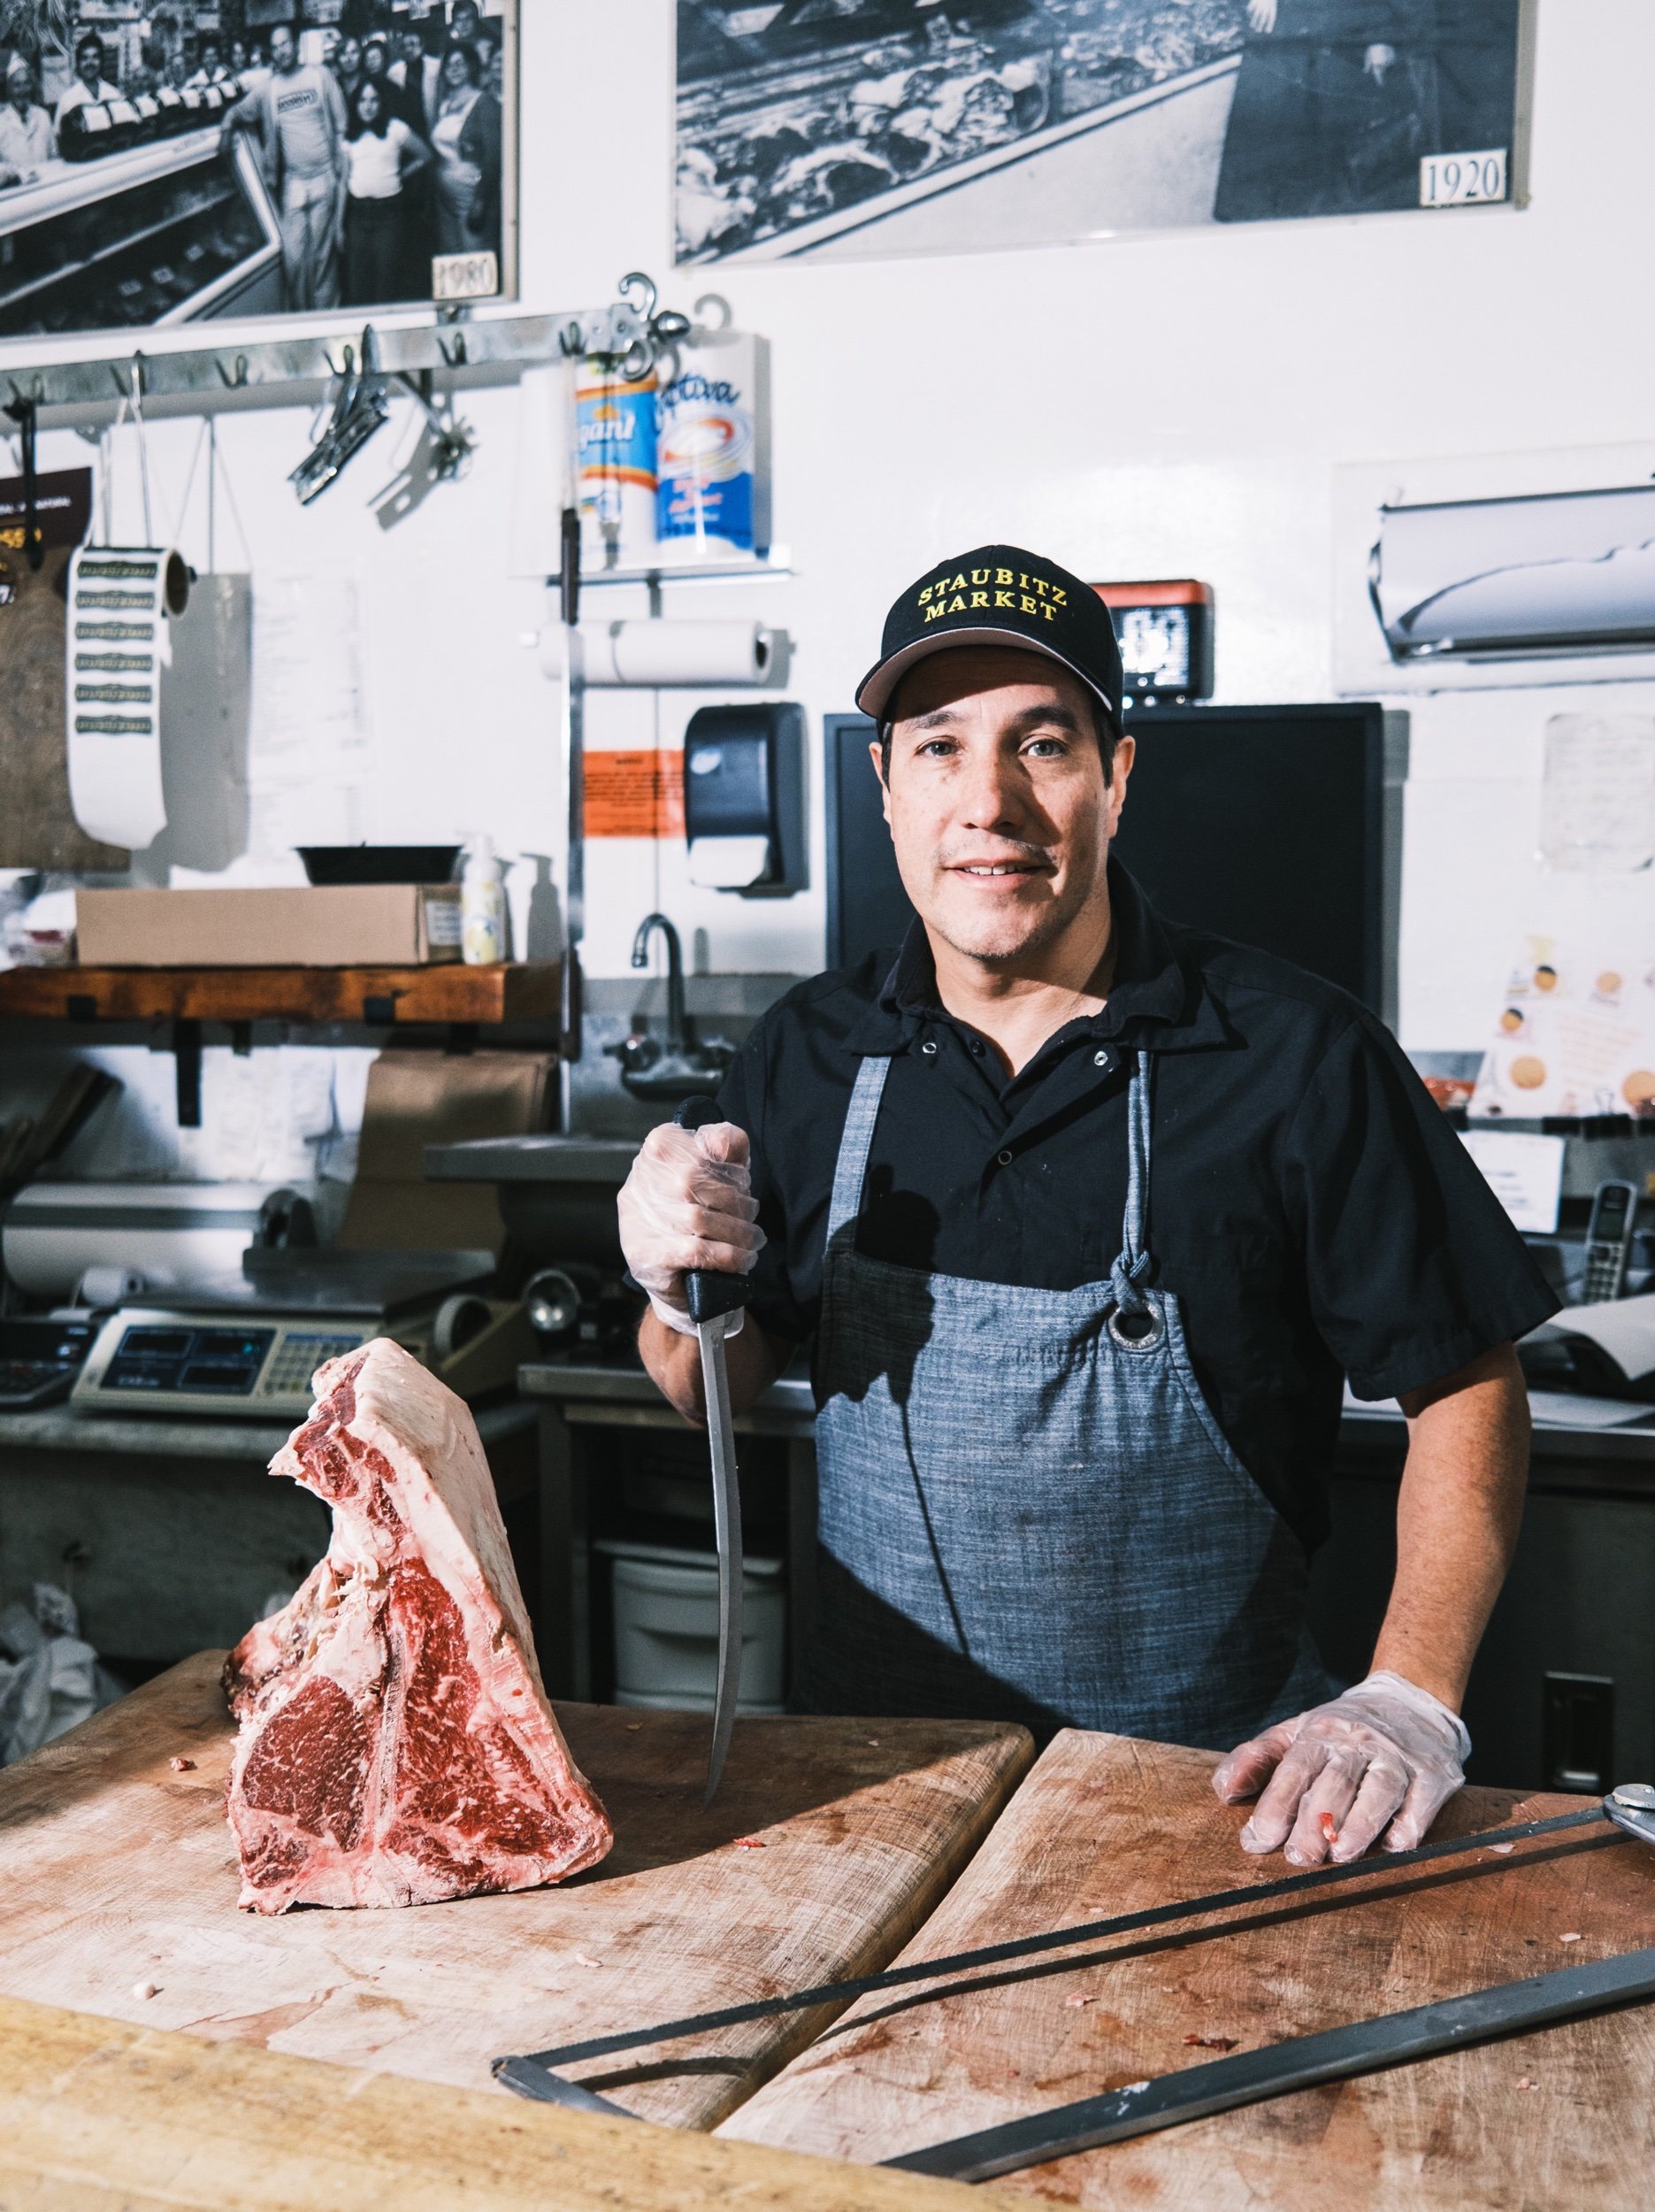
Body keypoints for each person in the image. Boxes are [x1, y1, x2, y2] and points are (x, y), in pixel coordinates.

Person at [619, 543, 1556, 1867]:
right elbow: (705, 1380)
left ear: (1115, 779)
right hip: (867, 1798)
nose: (986, 802)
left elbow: (1465, 1382)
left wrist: (1408, 1696)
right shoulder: (804, 1054)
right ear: (882, 784)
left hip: (1216, 1805)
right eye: (937, 749)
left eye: (1041, 745)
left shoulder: (1294, 1056)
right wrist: (675, 1290)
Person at [1215, 0, 1444, 221]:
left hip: (1348, 35)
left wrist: (1382, 37)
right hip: (1280, 32)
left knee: (1333, 181)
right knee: (1263, 155)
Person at [223, 22, 348, 312]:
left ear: (295, 45)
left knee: (322, 258)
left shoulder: (320, 77)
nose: (281, 51)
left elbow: (341, 124)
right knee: (293, 260)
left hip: (323, 178)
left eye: (285, 44)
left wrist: (339, 172)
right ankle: (303, 319)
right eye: (275, 47)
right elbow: (239, 110)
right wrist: (227, 128)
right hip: (293, 183)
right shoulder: (270, 89)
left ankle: (327, 318)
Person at [341, 76, 428, 304]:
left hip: (389, 215)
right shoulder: (348, 136)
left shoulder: (395, 128)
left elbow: (426, 155)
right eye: (362, 100)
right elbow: (342, 182)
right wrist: (337, 226)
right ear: (355, 104)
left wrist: (401, 175)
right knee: (357, 286)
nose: (368, 106)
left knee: (386, 285)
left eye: (374, 100)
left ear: (381, 103)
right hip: (357, 216)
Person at [427, 41, 482, 257]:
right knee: (451, 259)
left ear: (471, 67)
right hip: (444, 199)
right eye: (449, 65)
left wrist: (481, 200)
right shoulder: (444, 104)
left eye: (460, 63)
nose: (454, 69)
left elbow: (494, 157)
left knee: (473, 257)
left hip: (470, 195)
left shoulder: (481, 101)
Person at [456, 39, 502, 265]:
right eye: (497, 60)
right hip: (484, 189)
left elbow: (495, 154)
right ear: (489, 65)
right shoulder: (483, 98)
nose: (501, 65)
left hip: (495, 191)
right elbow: (466, 138)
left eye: (506, 60)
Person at [53, 32, 119, 145]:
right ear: (78, 63)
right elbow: (58, 139)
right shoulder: (67, 100)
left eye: (95, 57)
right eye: (85, 58)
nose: (90, 63)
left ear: (102, 61)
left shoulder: (114, 95)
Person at [0, 52, 52, 188]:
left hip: (46, 191)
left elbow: (54, 156)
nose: (22, 90)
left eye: (26, 83)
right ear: (8, 89)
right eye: (17, 85)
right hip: (15, 196)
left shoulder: (43, 116)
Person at [391, 23, 440, 131]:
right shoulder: (394, 71)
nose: (408, 49)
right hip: (407, 127)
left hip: (431, 123)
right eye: (404, 46)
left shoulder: (435, 67)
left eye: (412, 44)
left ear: (422, 46)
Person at [332, 32, 364, 108]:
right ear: (337, 57)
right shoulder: (333, 84)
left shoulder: (370, 81)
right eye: (343, 54)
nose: (348, 59)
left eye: (354, 52)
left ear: (361, 54)